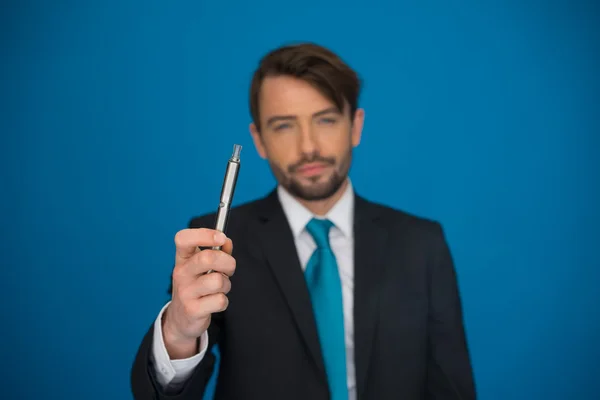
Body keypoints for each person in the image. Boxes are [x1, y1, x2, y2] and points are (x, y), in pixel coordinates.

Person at [130, 42, 477, 400]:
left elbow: (451, 390)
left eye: (325, 119)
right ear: (259, 140)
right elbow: (163, 394)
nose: (308, 146)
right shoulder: (219, 241)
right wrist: (178, 333)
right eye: (283, 126)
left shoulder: (422, 244)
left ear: (355, 126)